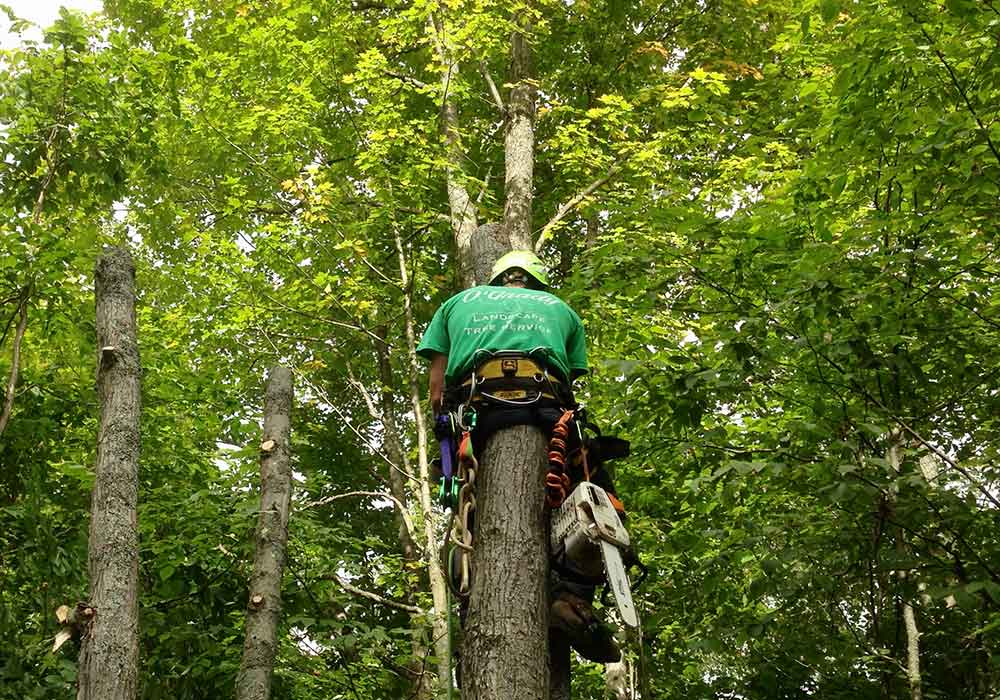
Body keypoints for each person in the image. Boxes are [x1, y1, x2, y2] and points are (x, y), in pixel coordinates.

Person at [416, 250, 622, 663]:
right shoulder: (561, 309)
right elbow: (567, 380)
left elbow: (437, 390)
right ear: (536, 282)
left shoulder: (456, 303)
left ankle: (473, 596)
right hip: (544, 406)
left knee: (467, 508)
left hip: (476, 411)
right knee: (593, 491)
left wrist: (447, 437)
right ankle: (573, 595)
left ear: (497, 279)